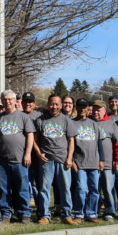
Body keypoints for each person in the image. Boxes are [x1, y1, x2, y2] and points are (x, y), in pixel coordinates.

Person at [0, 90, 36, 223]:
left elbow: (30, 136)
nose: (8, 102)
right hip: (2, 160)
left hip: (20, 160)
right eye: (5, 100)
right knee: (4, 189)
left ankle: (24, 213)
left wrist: (28, 154)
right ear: (2, 102)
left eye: (10, 99)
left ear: (15, 101)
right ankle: (6, 213)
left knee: (22, 188)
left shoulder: (23, 117)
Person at [33, 95, 77, 225]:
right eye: (52, 104)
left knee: (65, 189)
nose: (54, 107)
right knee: (44, 189)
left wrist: (69, 158)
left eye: (57, 104)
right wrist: (38, 153)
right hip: (47, 161)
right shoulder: (40, 120)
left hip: (63, 160)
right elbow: (34, 140)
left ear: (61, 105)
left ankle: (67, 215)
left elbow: (71, 141)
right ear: (48, 105)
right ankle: (44, 215)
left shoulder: (66, 120)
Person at [69, 99, 102, 223]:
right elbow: (68, 144)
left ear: (88, 108)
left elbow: (99, 143)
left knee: (94, 190)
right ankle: (79, 213)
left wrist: (102, 160)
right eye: (80, 106)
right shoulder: (71, 123)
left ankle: (91, 214)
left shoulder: (94, 124)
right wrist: (71, 160)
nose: (82, 109)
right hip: (79, 163)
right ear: (76, 108)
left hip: (94, 162)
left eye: (85, 107)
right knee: (81, 189)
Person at [92, 100, 118, 222]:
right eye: (94, 109)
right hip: (91, 163)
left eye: (98, 110)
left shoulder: (111, 124)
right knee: (94, 189)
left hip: (108, 164)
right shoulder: (89, 122)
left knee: (109, 189)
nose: (95, 112)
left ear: (104, 110)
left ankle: (110, 211)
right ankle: (94, 211)